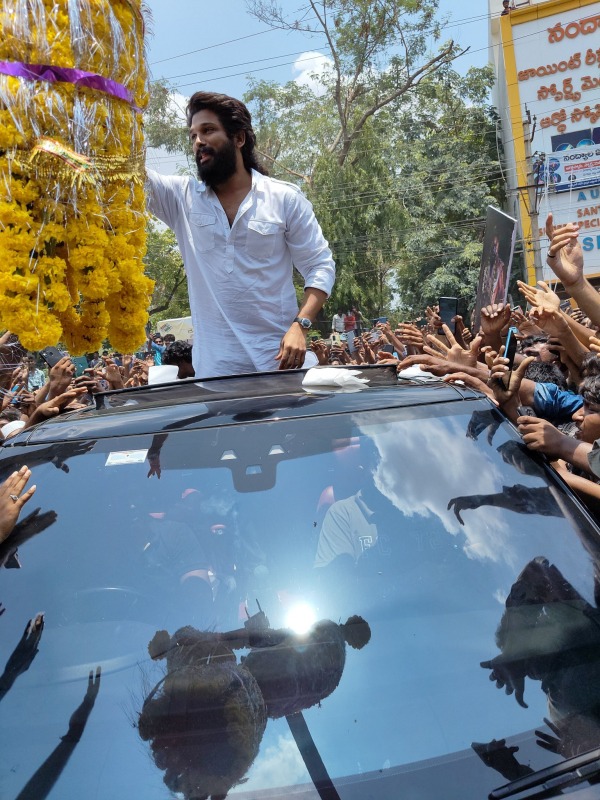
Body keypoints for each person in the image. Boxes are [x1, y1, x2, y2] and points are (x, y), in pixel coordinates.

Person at [146, 92, 335, 378]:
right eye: (193, 135)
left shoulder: (284, 198)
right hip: (216, 376)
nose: (199, 141)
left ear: (239, 138)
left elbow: (320, 265)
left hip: (282, 369)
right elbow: (129, 171)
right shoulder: (181, 199)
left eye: (208, 130)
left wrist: (301, 325)